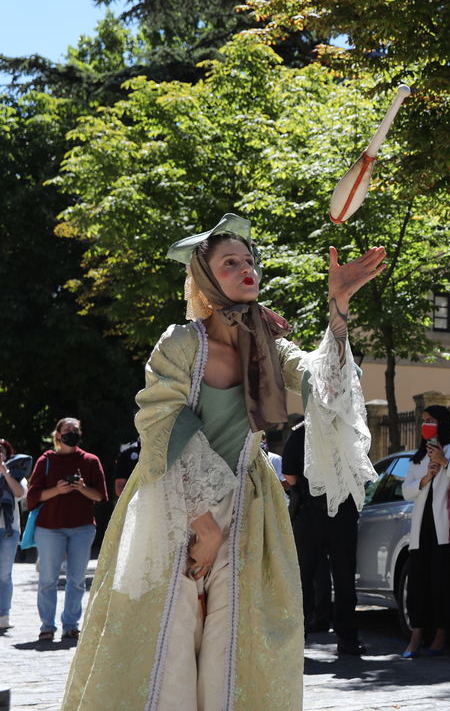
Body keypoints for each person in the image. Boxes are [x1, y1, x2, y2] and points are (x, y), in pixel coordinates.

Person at [62, 214, 383, 710]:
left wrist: (337, 305)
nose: (246, 268)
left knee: (233, 647)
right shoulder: (181, 342)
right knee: (165, 644)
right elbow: (161, 423)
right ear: (207, 277)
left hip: (249, 509)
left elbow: (329, 387)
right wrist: (202, 523)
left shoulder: (270, 346)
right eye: (230, 262)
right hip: (173, 506)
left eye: (250, 260)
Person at [400, 404, 450, 658]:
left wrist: (445, 463)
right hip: (421, 530)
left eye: (431, 419)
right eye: (423, 420)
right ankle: (416, 635)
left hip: (448, 529)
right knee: (417, 585)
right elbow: (406, 490)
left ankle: (441, 634)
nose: (426, 424)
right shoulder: (419, 455)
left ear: (443, 422)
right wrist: (425, 477)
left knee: (443, 584)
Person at [281, 420, 366, 655]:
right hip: (341, 512)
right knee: (343, 577)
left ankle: (298, 638)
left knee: (304, 578)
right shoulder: (349, 430)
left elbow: (289, 475)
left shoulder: (301, 433)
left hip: (311, 513)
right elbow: (361, 471)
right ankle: (347, 638)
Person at [25, 418, 107, 642]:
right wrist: (58, 490)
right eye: (67, 430)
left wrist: (82, 488)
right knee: (48, 579)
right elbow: (33, 497)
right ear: (58, 435)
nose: (72, 433)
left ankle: (70, 625)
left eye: (76, 430)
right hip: (50, 529)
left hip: (82, 528)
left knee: (77, 580)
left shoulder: (90, 461)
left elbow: (100, 496)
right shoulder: (46, 460)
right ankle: (47, 626)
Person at [0, 438, 29, 633]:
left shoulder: (17, 474)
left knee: (4, 574)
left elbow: (21, 493)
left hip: (8, 530)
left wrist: (5, 472)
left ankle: (4, 615)